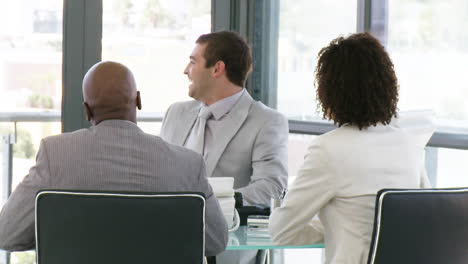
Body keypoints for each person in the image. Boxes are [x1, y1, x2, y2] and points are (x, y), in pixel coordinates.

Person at [0, 61, 228, 257]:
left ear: (87, 111)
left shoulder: (55, 155)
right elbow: (216, 241)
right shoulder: (187, 164)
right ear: (138, 100)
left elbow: (7, 234)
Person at [269, 33, 434, 264]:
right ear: (387, 85)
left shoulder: (328, 150)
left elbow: (281, 232)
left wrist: (338, 230)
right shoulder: (409, 144)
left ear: (330, 92)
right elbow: (425, 218)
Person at [160, 30, 288, 263]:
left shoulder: (266, 121)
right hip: (168, 243)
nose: (185, 71)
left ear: (217, 69)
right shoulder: (175, 113)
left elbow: (271, 187)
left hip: (228, 249)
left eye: (192, 62)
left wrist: (210, 205)